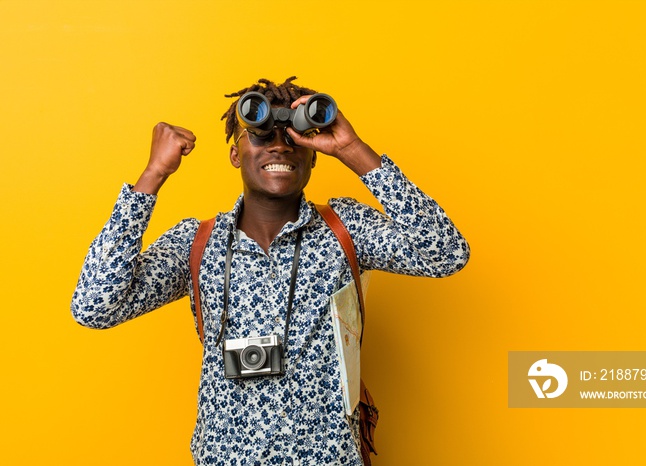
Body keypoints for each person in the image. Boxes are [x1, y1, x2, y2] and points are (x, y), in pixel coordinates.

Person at [71, 77, 469, 465]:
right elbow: (94, 307)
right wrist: (152, 176)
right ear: (234, 154)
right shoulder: (197, 243)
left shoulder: (345, 229)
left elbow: (445, 253)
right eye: (262, 134)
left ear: (313, 153)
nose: (280, 145)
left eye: (294, 135)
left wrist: (352, 148)